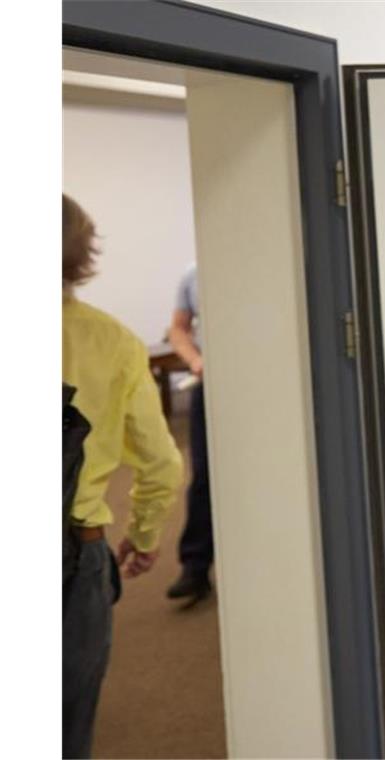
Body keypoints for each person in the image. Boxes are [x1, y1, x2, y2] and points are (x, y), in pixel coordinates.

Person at [62, 194, 183, 759]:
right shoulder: (113, 342)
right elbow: (160, 461)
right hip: (72, 556)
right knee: (68, 721)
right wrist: (145, 531)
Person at [165, 264, 214, 601]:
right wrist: (194, 359)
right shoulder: (192, 278)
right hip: (207, 383)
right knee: (204, 476)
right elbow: (178, 330)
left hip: (259, 382)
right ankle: (195, 568)